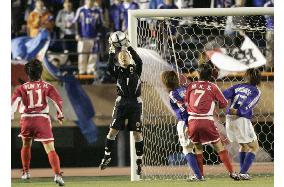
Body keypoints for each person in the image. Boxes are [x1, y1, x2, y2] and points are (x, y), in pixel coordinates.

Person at [11, 59, 65, 186]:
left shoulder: (21, 88)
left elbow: (13, 103)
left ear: (27, 74)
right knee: (50, 149)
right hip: (42, 119)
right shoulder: (47, 86)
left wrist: (10, 115)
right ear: (40, 72)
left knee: (26, 144)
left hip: (26, 119)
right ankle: (57, 175)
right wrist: (60, 115)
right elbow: (58, 100)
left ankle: (26, 172)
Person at [184, 63, 240, 180]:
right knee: (219, 146)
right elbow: (224, 103)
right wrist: (214, 102)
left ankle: (200, 176)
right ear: (210, 75)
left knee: (198, 148)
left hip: (192, 120)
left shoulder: (191, 86)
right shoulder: (213, 86)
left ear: (198, 74)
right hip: (207, 120)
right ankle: (232, 172)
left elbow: (187, 103)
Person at [99, 37, 144, 175]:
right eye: (121, 56)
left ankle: (139, 161)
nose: (123, 57)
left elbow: (139, 60)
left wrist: (129, 47)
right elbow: (108, 67)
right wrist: (112, 50)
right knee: (112, 131)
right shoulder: (117, 72)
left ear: (130, 58)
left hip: (135, 103)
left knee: (137, 133)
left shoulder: (136, 69)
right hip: (122, 103)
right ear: (118, 60)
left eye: (126, 56)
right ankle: (107, 155)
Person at [161, 71, 203, 181]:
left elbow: (183, 109)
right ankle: (199, 174)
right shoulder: (187, 87)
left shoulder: (173, 93)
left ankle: (198, 176)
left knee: (187, 149)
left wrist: (188, 125)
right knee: (197, 147)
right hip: (197, 119)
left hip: (185, 122)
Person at [223, 68, 261, 180]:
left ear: (246, 76)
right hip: (241, 118)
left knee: (243, 145)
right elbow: (249, 103)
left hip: (229, 118)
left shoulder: (237, 86)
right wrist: (240, 111)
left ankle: (242, 172)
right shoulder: (256, 90)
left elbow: (224, 95)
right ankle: (243, 173)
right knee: (254, 147)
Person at [73, 0, 103, 75]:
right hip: (83, 37)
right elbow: (76, 22)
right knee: (82, 54)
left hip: (94, 38)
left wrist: (99, 34)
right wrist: (77, 34)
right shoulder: (81, 10)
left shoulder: (98, 11)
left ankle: (91, 69)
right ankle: (82, 70)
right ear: (85, 1)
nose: (90, 1)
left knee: (93, 55)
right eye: (88, 0)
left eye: (92, 0)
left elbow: (100, 24)